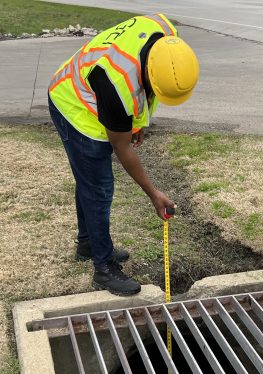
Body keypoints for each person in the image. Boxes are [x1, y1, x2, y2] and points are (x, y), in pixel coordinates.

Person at [48, 13, 199, 296]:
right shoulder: (117, 84)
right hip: (74, 106)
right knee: (99, 187)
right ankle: (103, 269)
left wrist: (138, 123)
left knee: (90, 181)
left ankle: (87, 244)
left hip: (91, 85)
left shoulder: (165, 31)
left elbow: (147, 91)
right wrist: (154, 194)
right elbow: (122, 147)